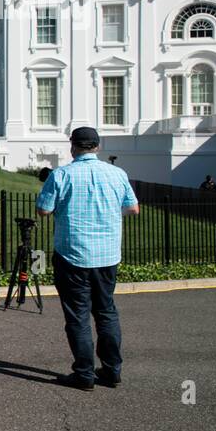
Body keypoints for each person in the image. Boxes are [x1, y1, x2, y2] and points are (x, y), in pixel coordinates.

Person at [36, 127, 139, 391]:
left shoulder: (62, 175)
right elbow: (132, 208)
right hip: (107, 254)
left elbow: (44, 210)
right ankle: (112, 369)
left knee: (78, 316)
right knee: (106, 312)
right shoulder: (117, 174)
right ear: (97, 146)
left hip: (73, 254)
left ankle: (83, 373)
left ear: (73, 147)